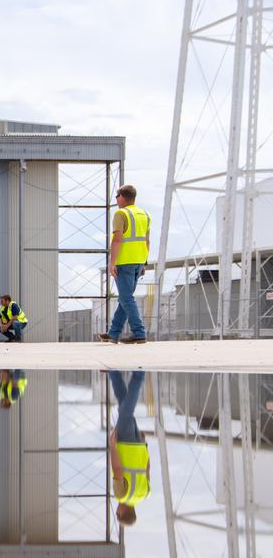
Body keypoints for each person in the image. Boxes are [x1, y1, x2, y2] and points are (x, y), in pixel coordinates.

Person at [100, 184, 150, 344]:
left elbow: (117, 239)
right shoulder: (144, 214)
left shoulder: (120, 214)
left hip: (124, 261)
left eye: (116, 196)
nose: (116, 199)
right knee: (124, 297)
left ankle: (139, 332)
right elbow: (147, 240)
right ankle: (114, 333)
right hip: (138, 261)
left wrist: (112, 263)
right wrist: (144, 263)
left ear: (122, 196)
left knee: (126, 298)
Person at [108, 370, 150, 525]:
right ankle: (139, 375)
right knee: (126, 412)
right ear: (121, 512)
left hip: (138, 446)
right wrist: (112, 446)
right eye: (117, 513)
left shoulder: (144, 494)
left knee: (123, 405)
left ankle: (113, 372)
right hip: (125, 443)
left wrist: (144, 445)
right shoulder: (122, 496)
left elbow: (147, 469)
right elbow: (118, 470)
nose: (116, 510)